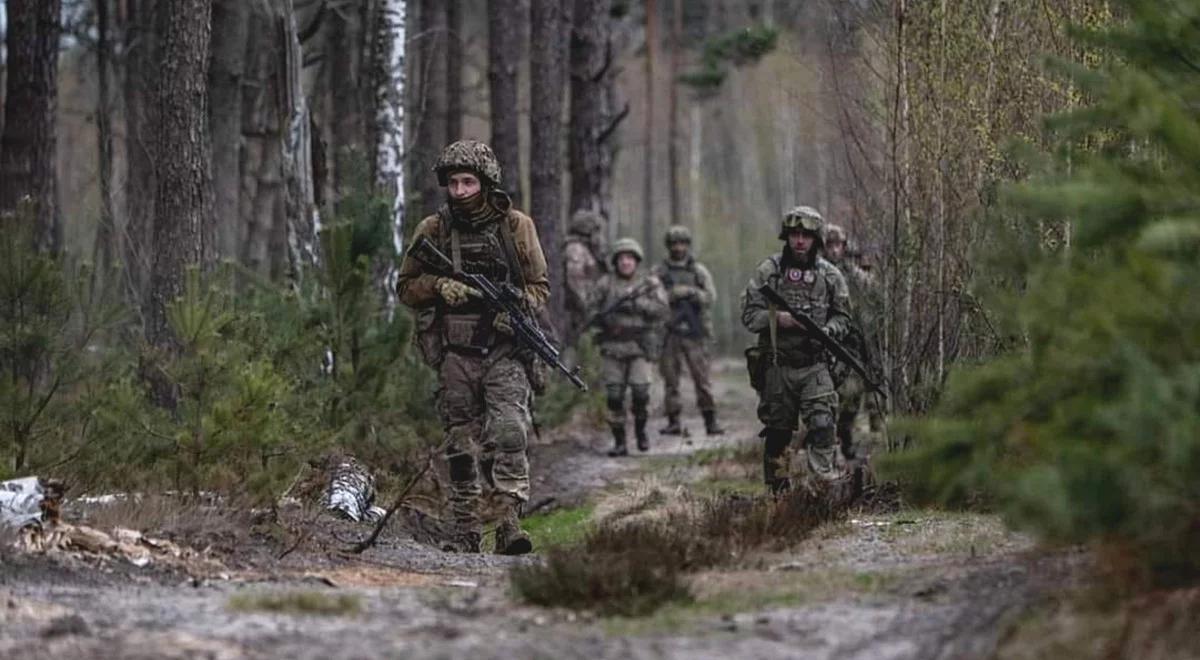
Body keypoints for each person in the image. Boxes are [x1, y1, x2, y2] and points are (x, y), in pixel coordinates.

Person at [397, 139, 549, 555]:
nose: (460, 190)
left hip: (504, 351)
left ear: (486, 182)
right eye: (453, 183)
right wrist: (439, 286)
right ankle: (464, 530)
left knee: (509, 433)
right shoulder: (434, 230)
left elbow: (540, 287)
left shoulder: (517, 227)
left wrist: (516, 305)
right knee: (460, 444)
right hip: (456, 354)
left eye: (468, 182)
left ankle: (507, 523)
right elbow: (406, 287)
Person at [741, 206, 851, 490]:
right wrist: (779, 319)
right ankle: (778, 494)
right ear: (786, 237)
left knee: (823, 423)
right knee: (778, 434)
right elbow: (750, 316)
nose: (800, 241)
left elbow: (844, 318)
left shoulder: (830, 276)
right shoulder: (770, 272)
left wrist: (828, 330)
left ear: (816, 239)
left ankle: (823, 486)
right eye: (794, 235)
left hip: (815, 364)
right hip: (779, 366)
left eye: (806, 235)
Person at [589, 238, 669, 456]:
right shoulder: (605, 283)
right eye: (622, 258)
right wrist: (603, 318)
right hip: (613, 346)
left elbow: (662, 310)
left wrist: (636, 304)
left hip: (640, 346)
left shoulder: (649, 283)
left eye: (630, 258)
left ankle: (641, 432)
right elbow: (591, 309)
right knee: (614, 395)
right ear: (616, 261)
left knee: (641, 392)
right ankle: (620, 442)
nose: (626, 262)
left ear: (636, 261)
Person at [652, 225, 724, 436]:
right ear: (669, 246)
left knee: (702, 379)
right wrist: (670, 296)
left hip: (695, 332)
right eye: (674, 243)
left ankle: (710, 420)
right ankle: (674, 421)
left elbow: (710, 297)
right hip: (670, 331)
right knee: (671, 379)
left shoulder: (698, 271)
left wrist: (691, 292)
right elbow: (650, 297)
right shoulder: (659, 272)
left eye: (682, 243)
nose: (678, 247)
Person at [823, 223, 885, 460]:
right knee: (848, 397)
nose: (834, 250)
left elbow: (876, 294)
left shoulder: (853, 273)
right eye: (830, 245)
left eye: (838, 245)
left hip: (865, 342)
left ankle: (877, 443)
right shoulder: (821, 274)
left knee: (874, 394)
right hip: (839, 345)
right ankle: (845, 439)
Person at [562, 209, 607, 354]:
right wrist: (588, 308)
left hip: (586, 310)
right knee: (574, 350)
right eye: (595, 231)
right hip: (578, 313)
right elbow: (575, 282)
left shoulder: (588, 249)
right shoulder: (576, 250)